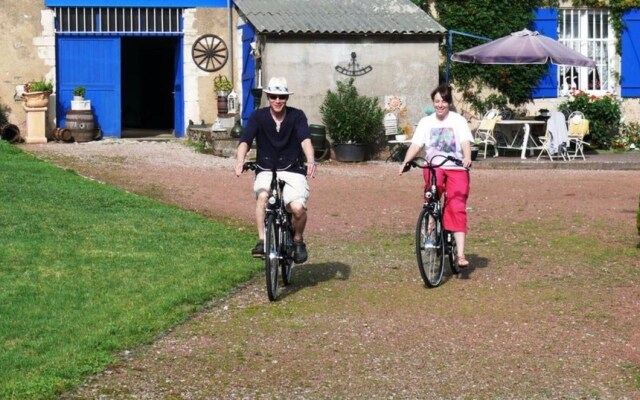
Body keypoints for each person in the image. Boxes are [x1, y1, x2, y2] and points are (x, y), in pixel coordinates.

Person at [235, 77, 317, 264]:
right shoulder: (258, 116)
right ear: (268, 97)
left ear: (287, 98)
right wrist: (240, 160)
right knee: (263, 197)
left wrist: (311, 160)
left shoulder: (297, 116)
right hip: (265, 166)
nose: (278, 101)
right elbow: (246, 140)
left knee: (297, 209)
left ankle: (297, 240)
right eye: (273, 96)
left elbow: (305, 139)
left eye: (282, 97)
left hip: (292, 167)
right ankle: (262, 240)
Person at [398, 83, 473, 268]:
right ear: (433, 103)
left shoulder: (458, 121)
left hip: (456, 167)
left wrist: (467, 158)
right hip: (434, 166)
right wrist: (405, 162)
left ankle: (460, 254)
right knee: (432, 192)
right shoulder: (426, 122)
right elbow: (416, 145)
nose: (440, 105)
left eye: (444, 101)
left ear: (449, 102)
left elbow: (465, 142)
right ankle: (431, 222)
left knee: (456, 205)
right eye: (437, 101)